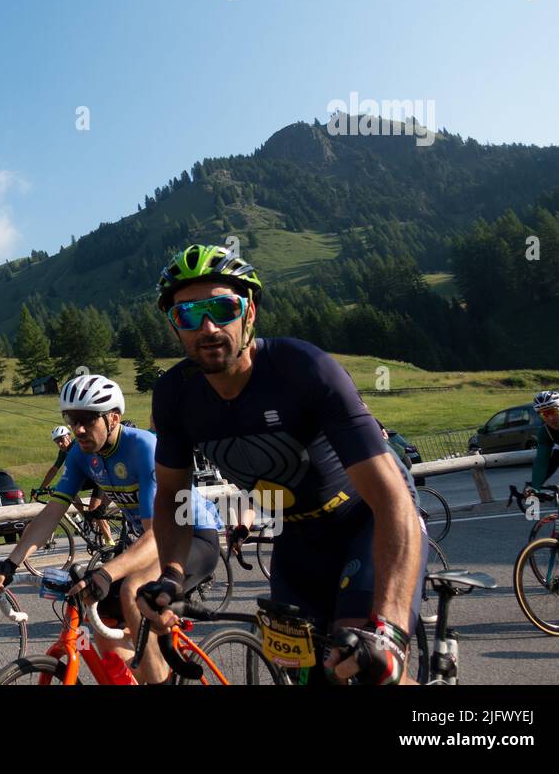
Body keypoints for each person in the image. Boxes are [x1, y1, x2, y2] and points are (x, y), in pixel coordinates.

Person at [139, 244, 425, 685]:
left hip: (364, 522)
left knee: (365, 665)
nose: (208, 327)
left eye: (222, 308)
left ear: (249, 313)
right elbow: (173, 501)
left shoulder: (304, 369)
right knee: (305, 676)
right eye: (187, 315)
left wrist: (389, 629)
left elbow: (392, 501)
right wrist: (172, 577)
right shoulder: (175, 395)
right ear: (175, 327)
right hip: (295, 536)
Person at [0, 374, 222, 683]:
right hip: (154, 541)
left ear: (113, 417)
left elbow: (157, 534)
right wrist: (11, 562)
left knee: (132, 589)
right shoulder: (81, 455)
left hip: (191, 537)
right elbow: (50, 514)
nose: (79, 429)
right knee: (97, 611)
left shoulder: (143, 448)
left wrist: (106, 573)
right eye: (73, 420)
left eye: (88, 419)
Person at [37, 425, 111, 543]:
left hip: (99, 477)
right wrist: (41, 488)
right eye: (57, 442)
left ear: (69, 436)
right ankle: (86, 517)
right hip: (87, 478)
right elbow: (54, 469)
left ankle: (109, 541)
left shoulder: (79, 445)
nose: (60, 444)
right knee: (68, 491)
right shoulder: (63, 452)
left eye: (61, 440)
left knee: (94, 508)